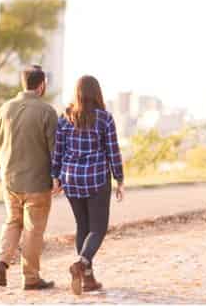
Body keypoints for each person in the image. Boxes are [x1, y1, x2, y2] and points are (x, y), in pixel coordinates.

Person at [51, 75, 126, 296]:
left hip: (71, 178)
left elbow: (58, 151)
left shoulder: (65, 118)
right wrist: (119, 179)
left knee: (82, 226)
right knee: (98, 228)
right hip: (96, 178)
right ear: (97, 93)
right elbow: (113, 151)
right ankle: (81, 265)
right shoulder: (104, 119)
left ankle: (88, 280)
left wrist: (56, 176)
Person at [0, 64, 58, 290]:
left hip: (10, 180)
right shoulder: (47, 112)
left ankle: (1, 262)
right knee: (32, 230)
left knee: (12, 222)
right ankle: (31, 278)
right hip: (37, 183)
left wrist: (0, 165)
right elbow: (55, 149)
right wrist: (57, 177)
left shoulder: (5, 109)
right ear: (41, 85)